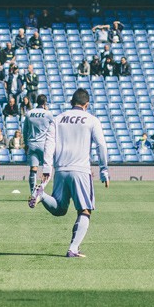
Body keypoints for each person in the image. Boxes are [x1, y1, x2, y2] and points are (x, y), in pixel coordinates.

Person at [29, 89, 108, 259]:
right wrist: (104, 169)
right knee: (85, 211)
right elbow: (101, 145)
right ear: (86, 105)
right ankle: (73, 248)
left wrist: (47, 168)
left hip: (61, 170)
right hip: (81, 170)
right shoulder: (92, 120)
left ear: (71, 102)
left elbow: (49, 143)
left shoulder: (58, 119)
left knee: (59, 209)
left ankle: (42, 195)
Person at [22, 94, 54, 195]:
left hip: (31, 143)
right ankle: (41, 189)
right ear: (44, 103)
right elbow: (54, 127)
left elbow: (25, 130)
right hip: (44, 144)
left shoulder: (29, 113)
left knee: (33, 169)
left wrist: (25, 144)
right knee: (47, 167)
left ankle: (33, 193)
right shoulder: (48, 114)